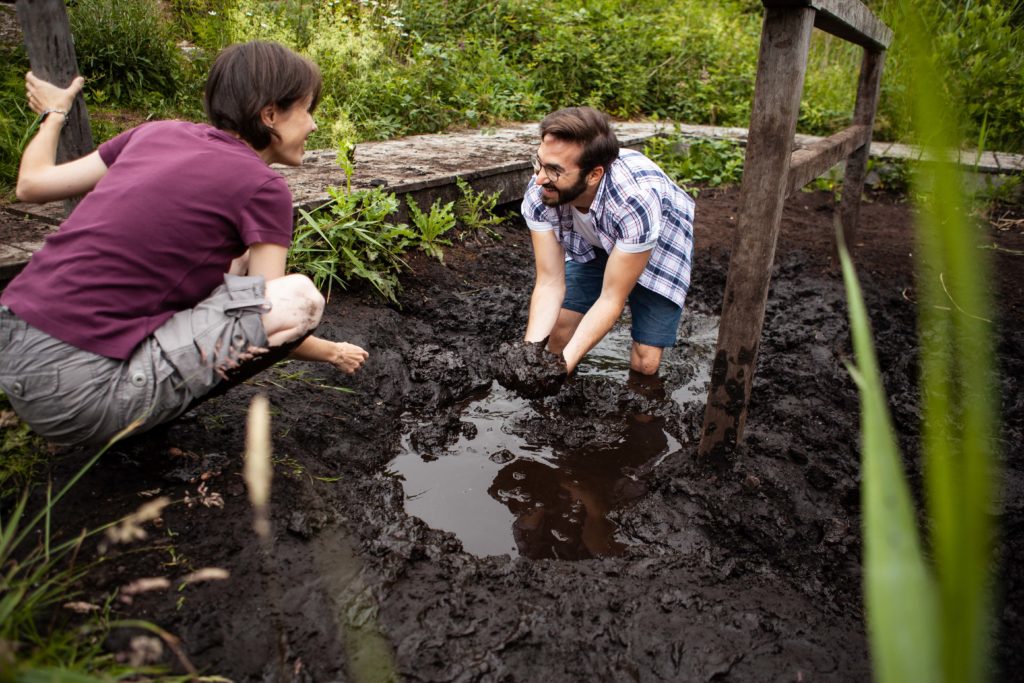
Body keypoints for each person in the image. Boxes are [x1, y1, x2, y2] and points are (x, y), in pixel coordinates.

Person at [0, 40, 368, 447]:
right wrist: (332, 352)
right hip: (78, 399)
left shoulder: (156, 132)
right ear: (270, 115)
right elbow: (270, 317)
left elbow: (31, 185)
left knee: (238, 262)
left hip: (13, 344)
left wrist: (55, 112)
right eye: (307, 110)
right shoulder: (263, 187)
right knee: (299, 298)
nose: (313, 125)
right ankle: (143, 424)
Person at [520, 106, 695, 376]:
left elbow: (611, 299)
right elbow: (549, 282)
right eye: (540, 162)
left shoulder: (634, 201)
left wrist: (563, 367)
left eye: (554, 170)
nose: (540, 178)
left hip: (657, 240)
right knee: (558, 331)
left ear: (593, 175)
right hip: (595, 240)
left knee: (646, 362)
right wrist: (529, 357)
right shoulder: (541, 191)